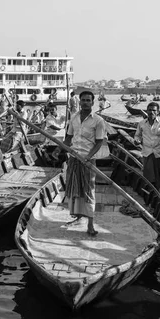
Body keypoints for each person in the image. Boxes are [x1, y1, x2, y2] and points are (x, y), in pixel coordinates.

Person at [63, 91, 106, 236]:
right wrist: (58, 150)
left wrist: (88, 157)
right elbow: (68, 138)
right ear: (79, 102)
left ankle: (90, 224)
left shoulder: (98, 121)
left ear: (93, 103)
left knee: (88, 191)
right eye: (83, 100)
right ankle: (78, 217)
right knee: (75, 188)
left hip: (88, 160)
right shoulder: (73, 119)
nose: (86, 102)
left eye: (88, 100)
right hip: (74, 159)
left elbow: (99, 142)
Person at [134, 102, 160, 196]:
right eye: (149, 110)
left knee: (159, 175)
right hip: (147, 152)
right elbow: (137, 135)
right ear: (147, 111)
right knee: (148, 175)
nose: (151, 112)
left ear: (157, 112)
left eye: (154, 110)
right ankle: (150, 194)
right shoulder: (141, 123)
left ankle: (158, 195)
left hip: (158, 151)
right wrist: (137, 140)